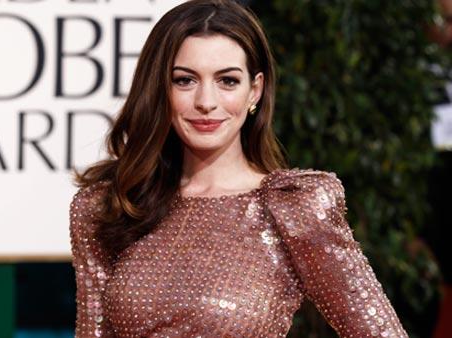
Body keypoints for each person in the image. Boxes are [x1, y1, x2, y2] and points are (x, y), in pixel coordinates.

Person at [69, 0, 409, 337]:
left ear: (255, 91)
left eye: (227, 81)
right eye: (185, 80)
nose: (206, 101)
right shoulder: (112, 207)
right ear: (160, 89)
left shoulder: (295, 208)